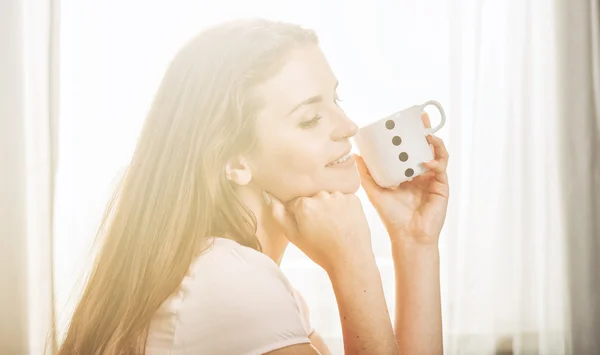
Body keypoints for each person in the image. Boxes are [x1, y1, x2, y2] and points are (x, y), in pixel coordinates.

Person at [57, 18, 449, 355]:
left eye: (336, 99)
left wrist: (414, 242)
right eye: (311, 118)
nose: (347, 126)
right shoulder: (229, 281)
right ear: (235, 162)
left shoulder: (240, 275)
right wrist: (353, 263)